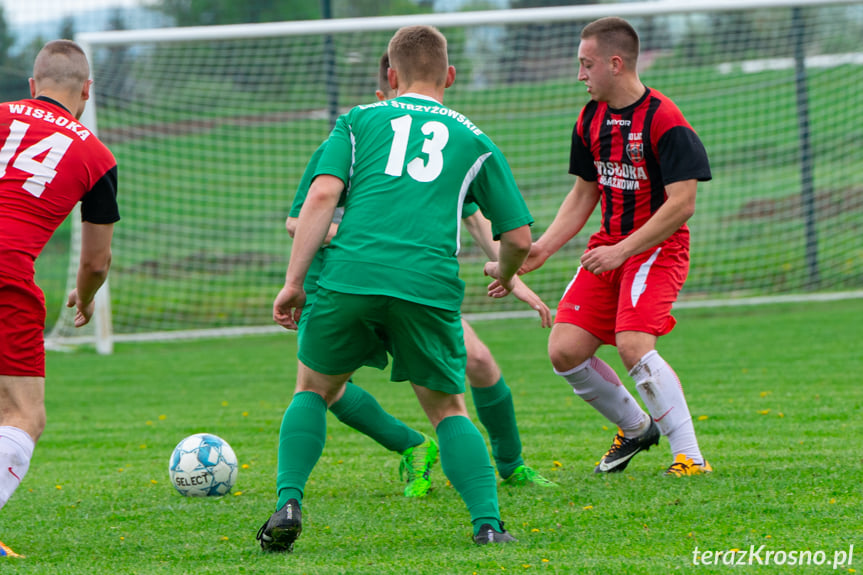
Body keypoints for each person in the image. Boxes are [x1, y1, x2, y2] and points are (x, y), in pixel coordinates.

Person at [257, 25, 533, 551]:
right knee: (448, 409)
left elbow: (319, 200)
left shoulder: (358, 121)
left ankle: (288, 502)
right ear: (450, 76)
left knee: (313, 389)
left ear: (390, 74)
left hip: (350, 274)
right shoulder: (474, 138)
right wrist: (505, 270)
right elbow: (516, 236)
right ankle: (488, 526)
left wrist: (294, 282)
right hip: (425, 282)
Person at [515, 17, 712, 477]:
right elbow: (586, 191)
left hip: (656, 249)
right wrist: (543, 247)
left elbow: (683, 204)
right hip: (608, 248)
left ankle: (691, 458)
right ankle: (636, 427)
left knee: (633, 345)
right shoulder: (590, 118)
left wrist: (624, 250)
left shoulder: (666, 119)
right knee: (564, 350)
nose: (579, 75)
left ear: (615, 64)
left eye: (586, 65)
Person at [0, 40, 119, 556]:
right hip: (5, 271)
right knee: (25, 414)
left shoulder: (3, 114)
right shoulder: (95, 154)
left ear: (32, 85)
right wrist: (85, 297)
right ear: (87, 92)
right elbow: (95, 261)